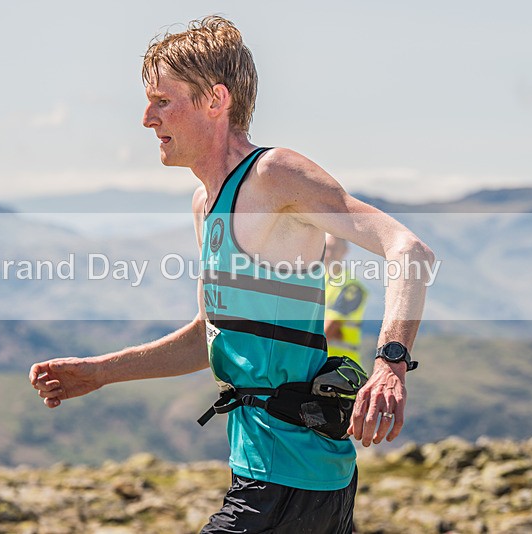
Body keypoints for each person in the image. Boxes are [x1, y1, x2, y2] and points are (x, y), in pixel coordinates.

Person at [30, 16, 434, 533]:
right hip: (274, 472)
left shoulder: (273, 176)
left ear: (215, 101)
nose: (147, 119)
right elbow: (209, 337)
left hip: (291, 477)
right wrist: (101, 373)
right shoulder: (206, 204)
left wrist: (390, 365)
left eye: (162, 100)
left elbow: (409, 250)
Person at [324, 235, 369, 367]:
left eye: (334, 248)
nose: (328, 254)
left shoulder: (351, 288)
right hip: (320, 364)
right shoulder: (318, 281)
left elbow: (328, 330)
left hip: (341, 369)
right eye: (325, 248)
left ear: (345, 250)